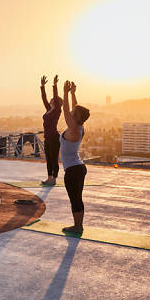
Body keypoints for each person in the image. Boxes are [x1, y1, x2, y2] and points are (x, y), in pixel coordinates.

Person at [60, 80, 90, 234]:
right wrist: (73, 94)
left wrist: (64, 93)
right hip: (78, 167)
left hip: (73, 170)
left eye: (74, 113)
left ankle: (77, 226)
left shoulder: (74, 129)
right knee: (78, 197)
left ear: (76, 118)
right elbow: (74, 109)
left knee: (75, 198)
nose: (71, 112)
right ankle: (79, 225)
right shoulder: (80, 127)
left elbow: (66, 111)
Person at [40, 75, 63, 185]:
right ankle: (49, 178)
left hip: (54, 137)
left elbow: (55, 96)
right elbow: (44, 98)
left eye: (53, 99)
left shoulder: (57, 110)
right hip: (47, 137)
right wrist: (42, 86)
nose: (50, 100)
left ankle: (54, 178)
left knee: (54, 159)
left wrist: (54, 85)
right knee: (49, 159)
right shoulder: (49, 109)